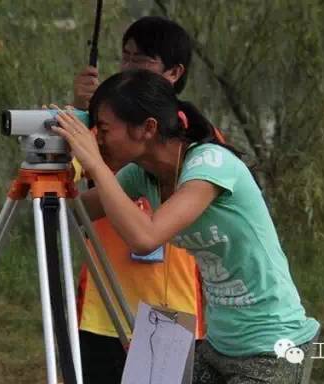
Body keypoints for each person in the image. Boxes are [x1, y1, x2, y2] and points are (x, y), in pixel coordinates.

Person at [52, 69, 320, 384]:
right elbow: (74, 210)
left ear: (147, 128)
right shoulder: (143, 174)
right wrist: (56, 156)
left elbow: (145, 237)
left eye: (105, 129)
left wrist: (95, 162)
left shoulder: (210, 165)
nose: (97, 139)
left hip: (271, 346)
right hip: (219, 346)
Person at [71, 17, 206, 384]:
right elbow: (76, 195)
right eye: (125, 57)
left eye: (142, 60)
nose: (128, 68)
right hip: (102, 301)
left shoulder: (197, 142)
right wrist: (85, 117)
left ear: (175, 72)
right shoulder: (108, 131)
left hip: (167, 305)